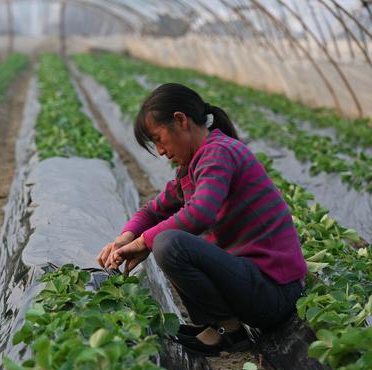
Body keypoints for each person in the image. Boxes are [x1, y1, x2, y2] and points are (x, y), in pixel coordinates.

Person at [97, 83, 307, 356]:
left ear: (180, 120)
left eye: (159, 138)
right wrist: (125, 237)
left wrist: (144, 242)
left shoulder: (218, 153)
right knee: (166, 240)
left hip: (275, 293)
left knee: (169, 244)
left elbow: (200, 213)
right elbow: (153, 210)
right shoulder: (193, 166)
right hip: (255, 284)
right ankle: (217, 325)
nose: (160, 151)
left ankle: (227, 330)